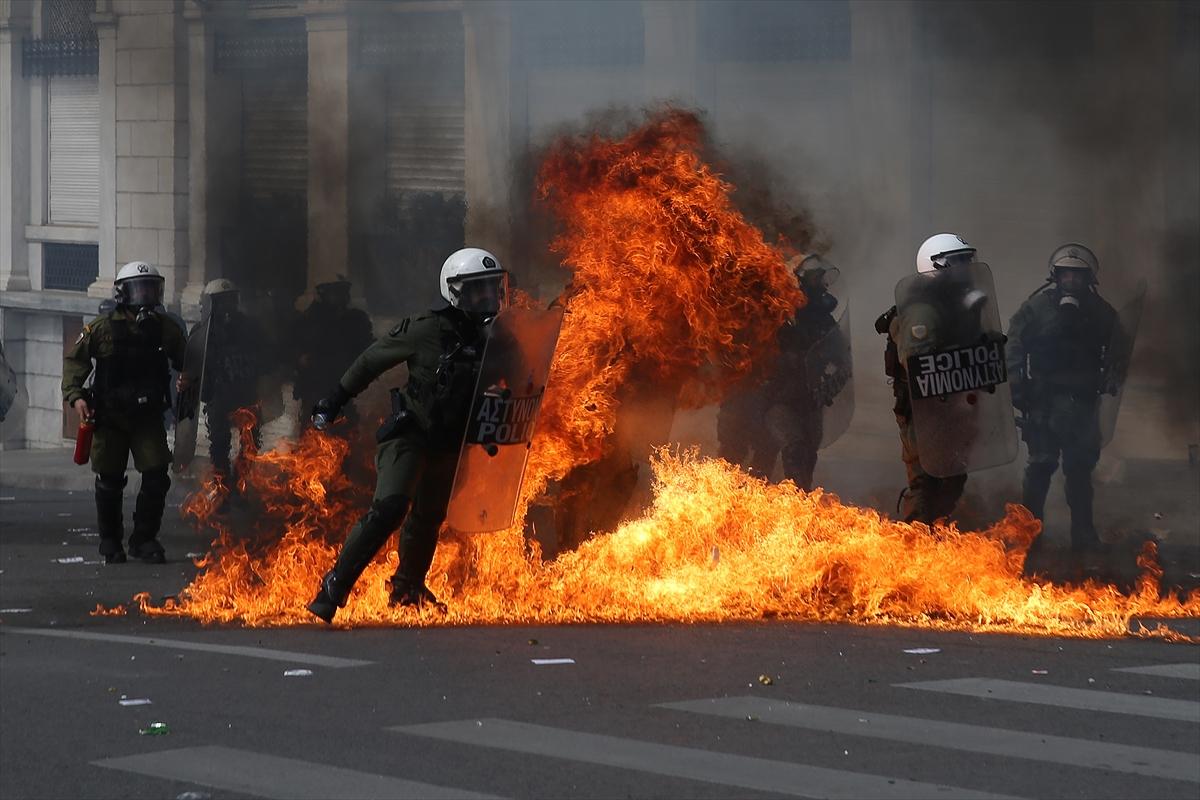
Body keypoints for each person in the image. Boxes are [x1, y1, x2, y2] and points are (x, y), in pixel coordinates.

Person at [306, 248, 508, 623]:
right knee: (391, 507)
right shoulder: (426, 329)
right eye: (478, 289)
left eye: (492, 287)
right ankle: (335, 584)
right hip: (410, 435)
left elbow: (517, 382)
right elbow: (372, 360)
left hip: (451, 442)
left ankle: (407, 587)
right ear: (455, 291)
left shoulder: (497, 338)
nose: (488, 297)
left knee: (429, 516)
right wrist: (334, 400)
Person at [62, 261, 186, 564]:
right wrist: (76, 397)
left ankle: (144, 539)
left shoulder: (164, 328)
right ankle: (110, 540)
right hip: (110, 418)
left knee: (156, 476)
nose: (145, 296)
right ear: (122, 293)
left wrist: (188, 377)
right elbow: (75, 362)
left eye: (150, 289)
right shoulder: (102, 329)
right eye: (138, 290)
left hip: (147, 418)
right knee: (109, 480)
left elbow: (187, 358)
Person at [1008, 243, 1121, 555]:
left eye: (1078, 275)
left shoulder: (1101, 313)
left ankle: (1083, 536)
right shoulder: (1036, 308)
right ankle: (1029, 536)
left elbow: (1117, 349)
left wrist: (1113, 374)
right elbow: (1014, 343)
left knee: (1080, 470)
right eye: (1066, 274)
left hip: (1083, 403)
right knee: (1040, 466)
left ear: (1088, 279)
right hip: (1043, 402)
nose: (1071, 280)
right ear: (1055, 276)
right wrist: (1015, 383)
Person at [876, 233, 980, 524]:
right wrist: (960, 356)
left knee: (952, 479)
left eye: (967, 260)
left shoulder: (955, 305)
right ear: (936, 266)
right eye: (958, 262)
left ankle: (933, 534)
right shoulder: (922, 310)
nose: (966, 268)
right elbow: (917, 362)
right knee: (925, 482)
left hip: (951, 407)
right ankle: (913, 540)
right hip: (922, 410)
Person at [766, 255, 849, 490]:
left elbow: (840, 351)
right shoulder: (784, 315)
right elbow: (768, 352)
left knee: (809, 453)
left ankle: (801, 498)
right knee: (792, 448)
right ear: (800, 281)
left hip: (811, 398)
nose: (822, 285)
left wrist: (837, 373)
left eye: (822, 279)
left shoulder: (824, 319)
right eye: (815, 279)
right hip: (781, 398)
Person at [195, 279, 265, 497]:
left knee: (250, 444)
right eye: (221, 302)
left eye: (230, 301)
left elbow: (266, 354)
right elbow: (192, 362)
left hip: (246, 394)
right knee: (219, 445)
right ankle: (222, 488)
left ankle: (240, 483)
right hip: (219, 395)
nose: (227, 307)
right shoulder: (203, 330)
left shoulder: (250, 327)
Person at [290, 275, 374, 434]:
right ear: (324, 293)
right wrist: (299, 358)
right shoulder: (310, 320)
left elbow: (365, 346)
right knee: (314, 431)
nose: (339, 296)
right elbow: (292, 347)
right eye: (335, 291)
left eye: (342, 291)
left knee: (345, 429)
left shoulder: (355, 319)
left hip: (343, 383)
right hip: (316, 384)